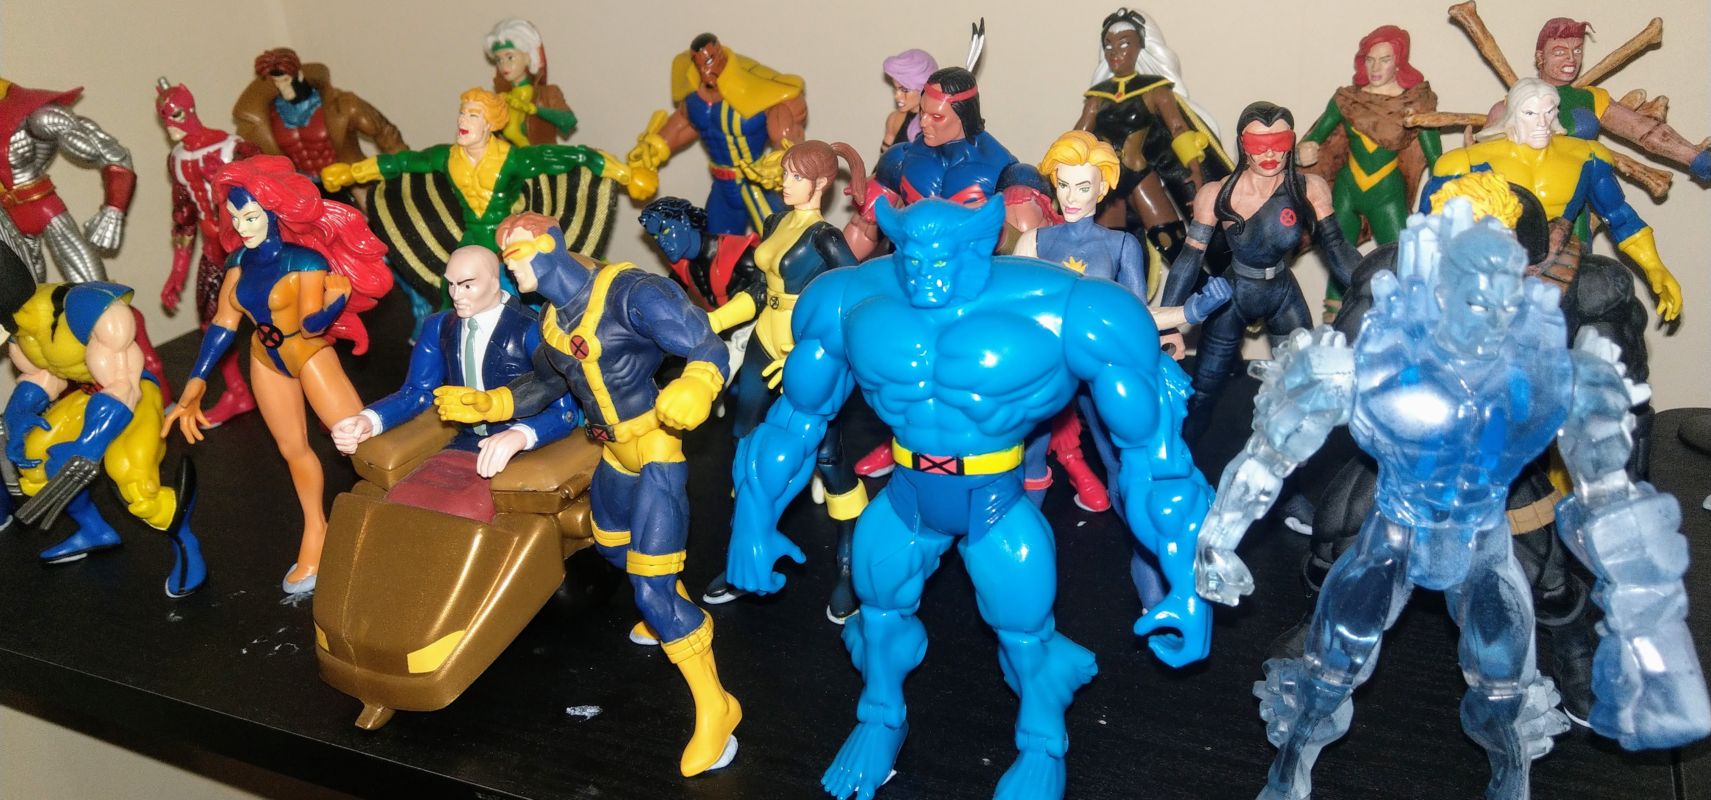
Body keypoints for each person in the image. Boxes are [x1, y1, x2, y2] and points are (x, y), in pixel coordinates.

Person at [1194, 199, 1709, 799]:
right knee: (1328, 670)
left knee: (1503, 689)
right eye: (1470, 293)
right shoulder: (1376, 361)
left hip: (1483, 543)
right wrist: (1217, 540)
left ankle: (1511, 778)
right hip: (1392, 533)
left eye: (1501, 295)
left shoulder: (1551, 373)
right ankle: (1288, 775)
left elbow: (1614, 502)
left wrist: (1649, 637)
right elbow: (1269, 454)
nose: (1485, 312)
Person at [725, 198, 1212, 800]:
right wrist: (753, 517)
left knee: (1023, 629)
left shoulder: (1073, 308)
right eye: (912, 256)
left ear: (983, 244)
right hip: (907, 492)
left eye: (942, 258)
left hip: (995, 500)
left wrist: (1187, 581)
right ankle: (880, 720)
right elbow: (795, 418)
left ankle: (1042, 742)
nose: (923, 272)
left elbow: (1155, 458)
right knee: (877, 611)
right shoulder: (847, 298)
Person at [437, 212, 741, 778]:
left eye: (515, 253)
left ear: (548, 245)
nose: (510, 266)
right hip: (612, 453)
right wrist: (492, 404)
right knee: (610, 547)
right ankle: (663, 607)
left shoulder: (631, 292)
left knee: (651, 589)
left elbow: (705, 343)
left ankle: (717, 706)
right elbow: (546, 383)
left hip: (655, 447)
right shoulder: (552, 322)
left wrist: (698, 384)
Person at [165, 155, 392, 595]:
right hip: (266, 357)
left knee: (359, 438)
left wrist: (336, 302)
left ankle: (392, 511)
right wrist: (196, 381)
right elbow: (224, 322)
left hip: (308, 354)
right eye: (235, 218)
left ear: (273, 212)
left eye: (250, 217)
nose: (242, 227)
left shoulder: (304, 261)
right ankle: (316, 528)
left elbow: (310, 326)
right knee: (293, 450)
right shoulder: (239, 261)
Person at [695, 141, 865, 620]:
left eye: (794, 176)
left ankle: (849, 564)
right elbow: (758, 289)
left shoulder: (826, 238)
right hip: (764, 340)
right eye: (785, 174)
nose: (783, 183)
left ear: (820, 184)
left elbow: (854, 301)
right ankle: (745, 552)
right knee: (744, 441)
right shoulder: (775, 222)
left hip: (807, 353)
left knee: (828, 456)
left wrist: (815, 358)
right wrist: (714, 320)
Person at [1, 243, 204, 597]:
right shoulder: (19, 331)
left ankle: (185, 541)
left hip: (133, 396)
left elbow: (123, 386)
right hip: (88, 396)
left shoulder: (91, 311)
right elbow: (42, 377)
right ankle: (94, 530)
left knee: (134, 483)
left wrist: (87, 445)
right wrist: (18, 417)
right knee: (35, 458)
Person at [1160, 101, 1360, 445]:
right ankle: (1182, 452)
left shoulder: (1308, 188)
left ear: (1291, 143)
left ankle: (1293, 459)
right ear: (1243, 144)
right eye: (1258, 144)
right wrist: (1168, 323)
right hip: (1233, 294)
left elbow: (1338, 248)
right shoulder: (1217, 194)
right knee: (1204, 389)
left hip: (1282, 292)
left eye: (1279, 143)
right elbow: (1189, 259)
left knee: (1300, 384)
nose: (1269, 153)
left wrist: (1374, 291)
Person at [329, 246, 578, 520]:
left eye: (467, 285)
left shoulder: (531, 331)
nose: (456, 295)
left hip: (526, 447)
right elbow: (417, 392)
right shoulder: (439, 327)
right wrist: (368, 420)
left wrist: (520, 435)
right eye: (451, 284)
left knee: (462, 516)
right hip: (465, 444)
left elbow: (564, 412)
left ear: (494, 282)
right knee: (404, 505)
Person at [322, 88, 632, 300]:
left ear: (490, 124)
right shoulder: (447, 157)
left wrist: (621, 172)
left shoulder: (512, 159)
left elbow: (569, 156)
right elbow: (404, 162)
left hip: (507, 236)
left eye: (472, 115)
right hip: (472, 235)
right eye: (462, 113)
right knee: (452, 285)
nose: (462, 120)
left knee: (528, 288)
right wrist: (353, 172)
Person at [1297, 24, 1441, 319]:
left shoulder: (1415, 105)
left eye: (1385, 59)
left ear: (1399, 62)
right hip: (1347, 191)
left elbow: (1436, 158)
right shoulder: (1348, 100)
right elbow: (1316, 136)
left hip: (1387, 194)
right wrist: (1305, 149)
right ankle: (1334, 321)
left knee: (1403, 257)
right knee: (1338, 254)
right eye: (1370, 59)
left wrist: (1455, 178)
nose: (1375, 67)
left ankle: (1406, 319)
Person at [1073, 8, 1229, 266]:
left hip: (1139, 175)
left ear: (1140, 47)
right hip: (1107, 180)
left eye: (1124, 44)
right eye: (1109, 46)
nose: (1115, 53)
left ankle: (1199, 286)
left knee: (1170, 241)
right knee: (1105, 248)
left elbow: (1178, 129)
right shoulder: (1098, 96)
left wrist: (1195, 168)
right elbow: (1080, 135)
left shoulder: (1154, 90)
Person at [154, 78, 259, 427]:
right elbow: (184, 218)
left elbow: (269, 199)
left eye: (174, 115)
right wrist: (177, 273)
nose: (170, 125)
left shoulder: (233, 149)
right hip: (214, 255)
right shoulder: (177, 160)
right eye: (164, 117)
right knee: (212, 324)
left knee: (277, 320)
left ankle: (309, 388)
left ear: (190, 110)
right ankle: (238, 392)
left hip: (251, 249)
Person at [626, 33, 807, 235]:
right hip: (722, 186)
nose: (705, 71)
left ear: (720, 55)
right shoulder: (696, 102)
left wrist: (782, 162)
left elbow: (786, 137)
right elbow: (679, 127)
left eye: (710, 61)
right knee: (717, 243)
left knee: (781, 240)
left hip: (755, 184)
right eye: (699, 65)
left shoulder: (760, 94)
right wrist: (650, 153)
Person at [485, 18, 578, 147]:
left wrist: (535, 110)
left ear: (528, 57)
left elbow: (568, 121)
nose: (504, 65)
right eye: (499, 60)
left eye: (510, 57)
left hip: (542, 157)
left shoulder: (547, 93)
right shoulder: (503, 98)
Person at [878, 49, 937, 151]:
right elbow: (884, 158)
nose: (897, 96)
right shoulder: (894, 120)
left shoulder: (936, 125)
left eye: (905, 90)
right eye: (895, 88)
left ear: (922, 89)